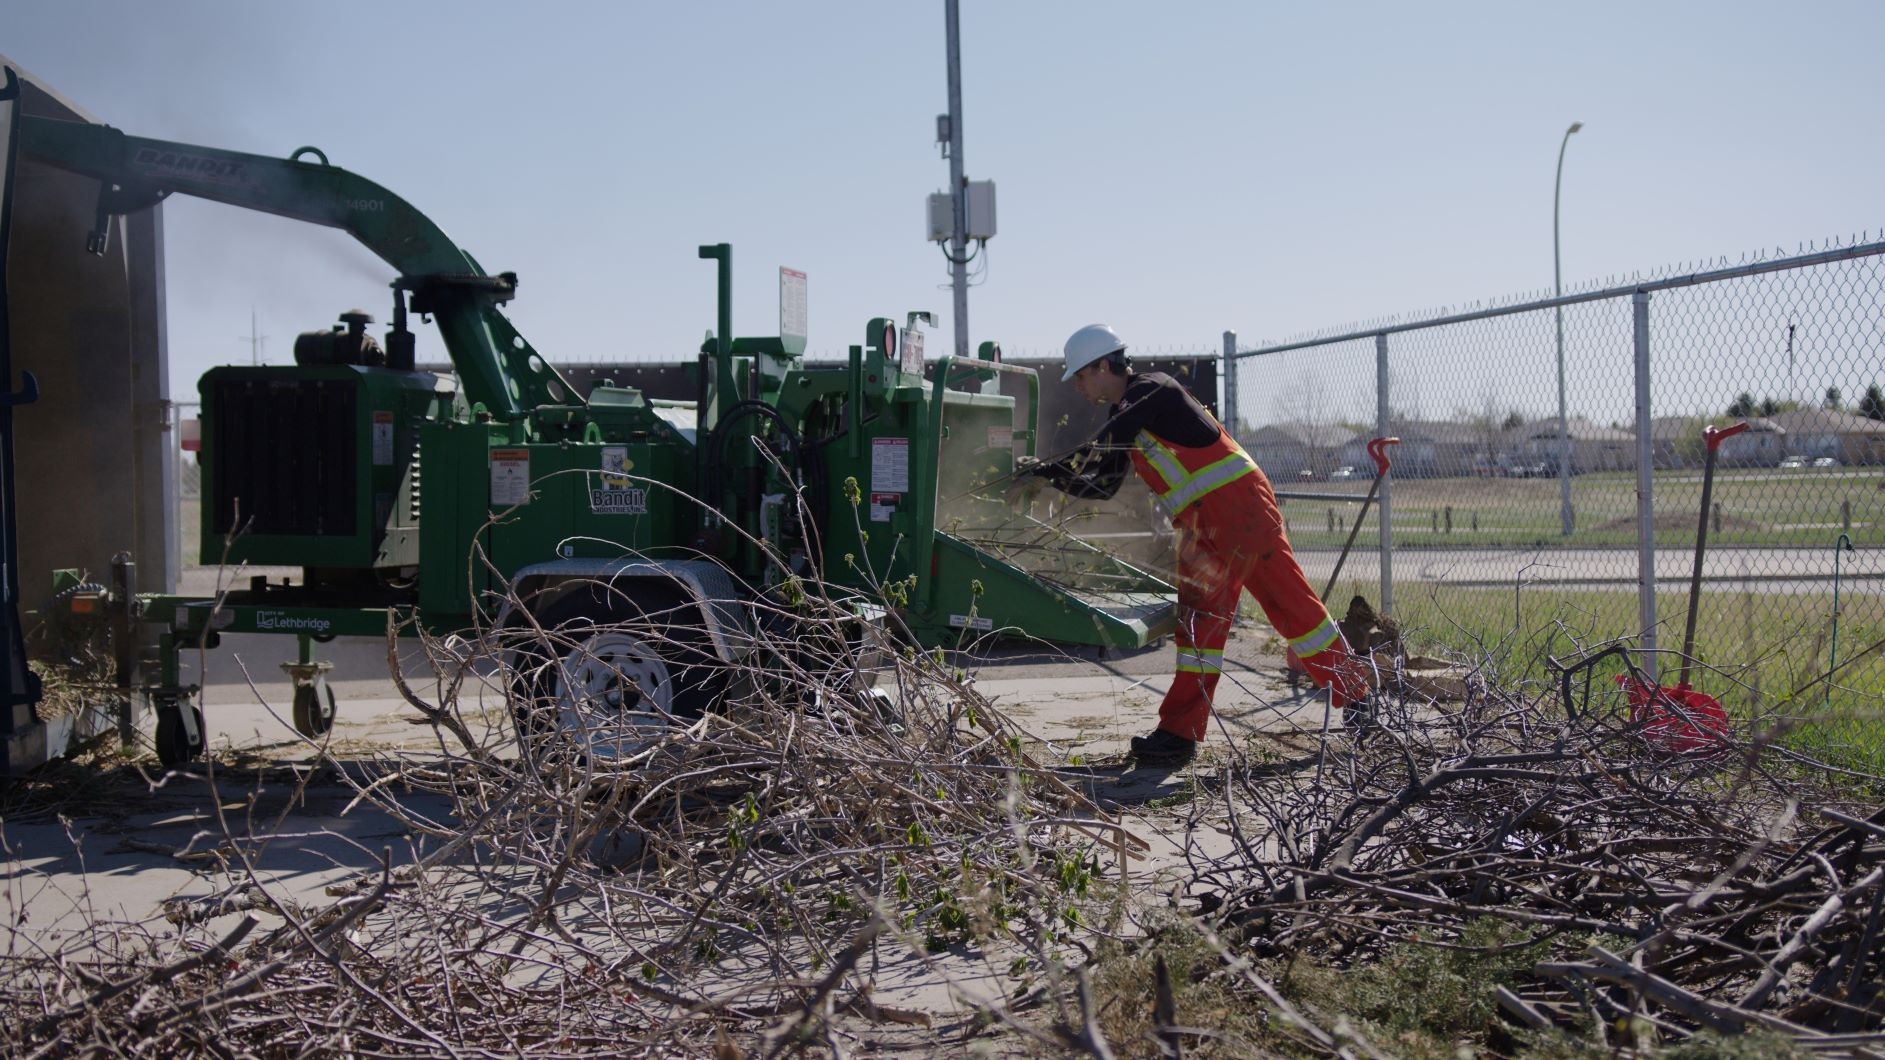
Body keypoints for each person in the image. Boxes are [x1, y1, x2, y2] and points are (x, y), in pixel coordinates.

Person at [1010, 324, 1373, 768]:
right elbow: (1101, 484)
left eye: (1082, 377)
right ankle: (1178, 735)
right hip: (1202, 528)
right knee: (1198, 629)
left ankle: (1360, 701)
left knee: (1292, 610)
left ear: (1104, 366)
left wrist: (1044, 466)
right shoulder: (1130, 413)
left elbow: (1099, 450)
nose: (1080, 388)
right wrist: (1048, 477)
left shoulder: (1151, 391)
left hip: (1240, 513)